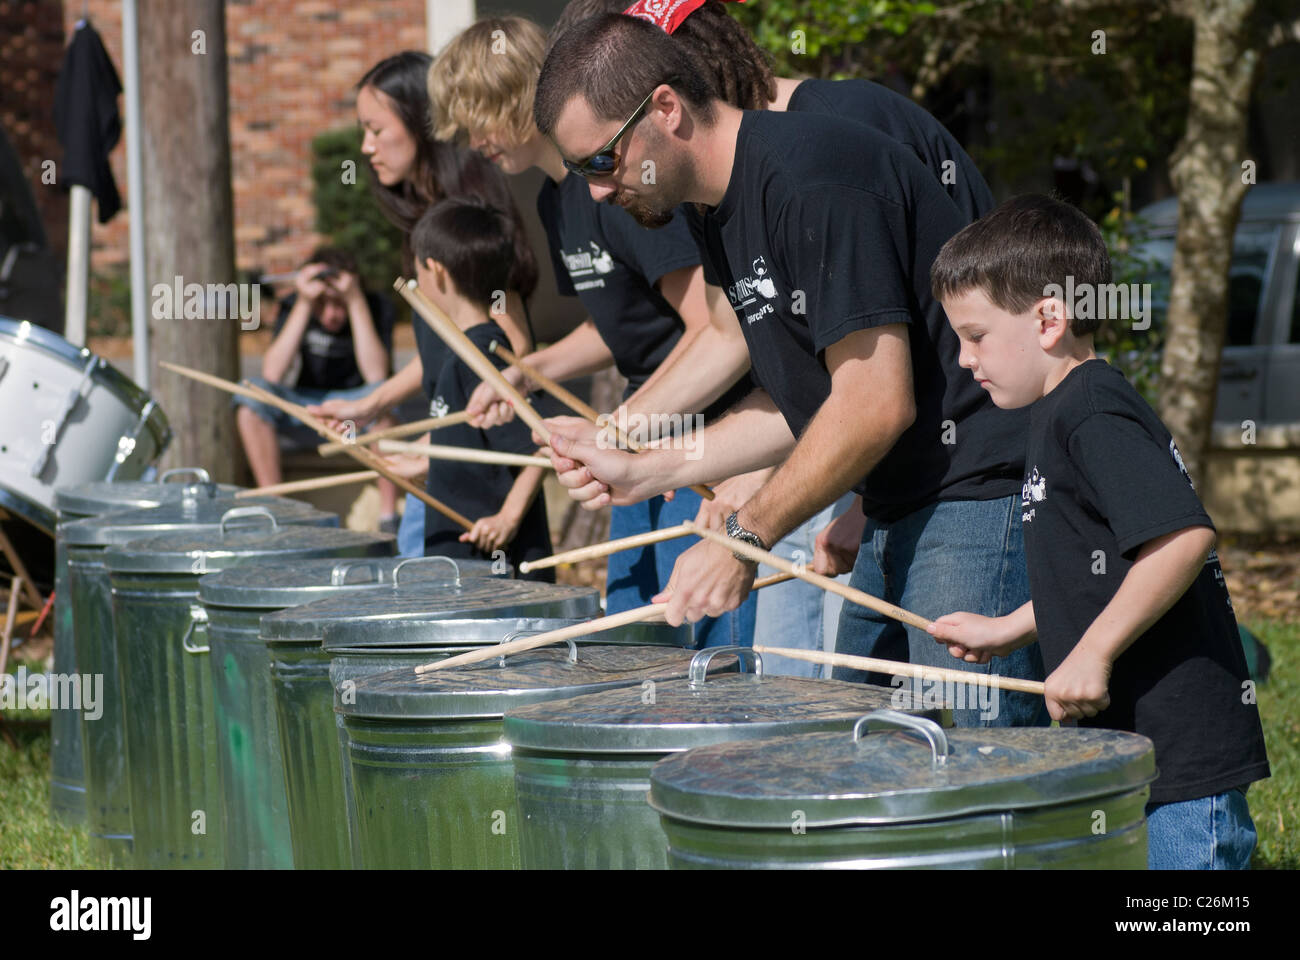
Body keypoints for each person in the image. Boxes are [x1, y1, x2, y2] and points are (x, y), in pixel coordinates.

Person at [532, 12, 1046, 726]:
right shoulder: (716, 211)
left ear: (666, 109)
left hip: (980, 495)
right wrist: (643, 468)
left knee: (979, 768)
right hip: (901, 503)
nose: (595, 191)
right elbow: (799, 404)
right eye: (579, 171)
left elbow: (874, 403)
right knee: (860, 750)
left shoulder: (813, 177)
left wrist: (744, 537)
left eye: (600, 161)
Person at [927, 194, 1270, 867]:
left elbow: (1182, 540)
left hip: (1177, 747)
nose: (964, 359)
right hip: (1129, 748)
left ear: (1048, 320)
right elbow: (1099, 566)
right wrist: (1012, 629)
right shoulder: (1056, 412)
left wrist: (1092, 653)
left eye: (976, 336)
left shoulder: (1090, 410)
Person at [429, 16, 755, 645]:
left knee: (697, 636)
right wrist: (527, 372)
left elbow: (711, 325)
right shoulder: (556, 201)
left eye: (477, 117)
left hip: (700, 432)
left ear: (517, 93)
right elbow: (618, 325)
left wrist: (628, 429)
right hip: (642, 429)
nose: (472, 142)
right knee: (634, 629)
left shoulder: (621, 187)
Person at [309, 51, 539, 558]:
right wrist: (370, 405)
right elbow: (448, 348)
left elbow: (509, 351)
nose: (366, 147)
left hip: (473, 467)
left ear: (420, 122)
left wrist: (436, 445)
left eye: (376, 129)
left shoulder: (467, 224)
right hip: (443, 451)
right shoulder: (427, 218)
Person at [410, 197, 554, 577]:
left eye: (417, 270)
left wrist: (508, 517)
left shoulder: (479, 359)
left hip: (496, 575)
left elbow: (540, 446)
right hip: (464, 564)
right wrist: (416, 462)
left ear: (436, 272)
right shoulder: (463, 353)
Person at [234, 247, 399, 530]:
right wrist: (304, 303)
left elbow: (376, 375)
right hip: (309, 410)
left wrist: (355, 301)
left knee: (384, 399)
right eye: (323, 303)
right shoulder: (296, 304)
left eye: (339, 303)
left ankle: (388, 517)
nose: (332, 314)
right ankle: (276, 509)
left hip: (356, 414)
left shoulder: (375, 305)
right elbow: (272, 374)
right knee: (250, 397)